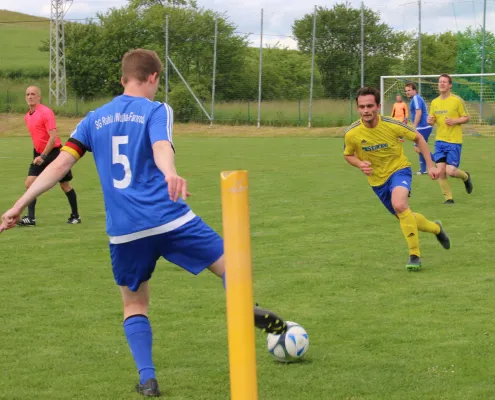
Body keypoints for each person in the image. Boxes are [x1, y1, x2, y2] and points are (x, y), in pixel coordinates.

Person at [0, 49, 287, 397]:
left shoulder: (92, 119)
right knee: (235, 270)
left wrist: (19, 204)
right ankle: (244, 309)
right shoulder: (156, 109)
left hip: (125, 231)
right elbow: (161, 145)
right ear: (153, 78)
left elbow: (60, 165)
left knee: (135, 305)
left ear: (123, 79)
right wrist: (170, 174)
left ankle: (148, 379)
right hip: (169, 218)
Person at [343, 86, 451, 271]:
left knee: (400, 205)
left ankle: (414, 255)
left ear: (378, 106)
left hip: (399, 170)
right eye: (362, 107)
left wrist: (431, 165)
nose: (366, 110)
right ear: (358, 108)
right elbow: (348, 154)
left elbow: (419, 139)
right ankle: (436, 228)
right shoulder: (352, 133)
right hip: (377, 181)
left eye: (370, 106)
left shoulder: (392, 124)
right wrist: (360, 164)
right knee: (404, 215)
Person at [18, 86, 81, 226]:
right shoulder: (27, 116)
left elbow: (53, 138)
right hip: (39, 153)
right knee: (30, 184)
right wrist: (38, 154)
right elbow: (37, 137)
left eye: (33, 94)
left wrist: (43, 156)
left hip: (54, 153)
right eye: (27, 94)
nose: (30, 96)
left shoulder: (46, 112)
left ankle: (75, 216)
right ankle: (31, 218)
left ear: (39, 97)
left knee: (65, 185)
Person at [427, 74, 473, 204]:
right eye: (440, 82)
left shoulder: (456, 100)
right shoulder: (435, 102)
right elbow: (431, 120)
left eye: (444, 82)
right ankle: (448, 198)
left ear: (450, 85)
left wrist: (454, 121)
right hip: (439, 141)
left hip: (454, 141)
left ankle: (465, 176)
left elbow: (466, 118)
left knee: (451, 171)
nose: (441, 84)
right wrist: (429, 121)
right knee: (441, 171)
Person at [404, 83, 433, 175]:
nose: (407, 92)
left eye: (409, 90)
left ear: (414, 90)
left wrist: (414, 126)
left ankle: (438, 160)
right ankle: (423, 169)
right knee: (420, 147)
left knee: (418, 148)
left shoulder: (416, 98)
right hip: (424, 126)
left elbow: (418, 113)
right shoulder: (415, 98)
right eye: (406, 91)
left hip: (422, 127)